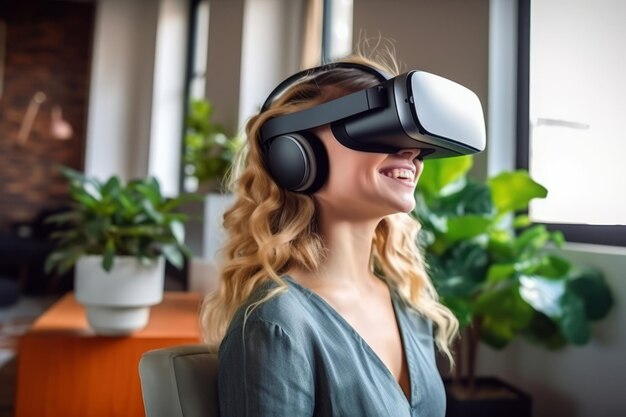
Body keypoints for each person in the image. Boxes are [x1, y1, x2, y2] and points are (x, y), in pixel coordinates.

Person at [200, 53, 459, 417]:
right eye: (379, 127)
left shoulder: (407, 304)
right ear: (295, 156)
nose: (411, 150)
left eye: (412, 136)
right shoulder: (277, 325)